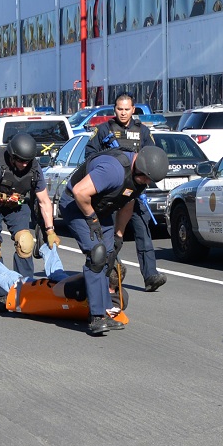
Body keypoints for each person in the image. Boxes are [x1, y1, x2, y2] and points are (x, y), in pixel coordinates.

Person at [59, 143, 168, 335]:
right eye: (147, 179)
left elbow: (127, 202)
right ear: (139, 168)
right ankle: (96, 317)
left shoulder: (138, 178)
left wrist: (118, 234)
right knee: (97, 255)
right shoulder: (113, 170)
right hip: (77, 205)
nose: (147, 183)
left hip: (102, 206)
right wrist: (92, 219)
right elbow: (79, 192)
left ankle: (105, 310)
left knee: (109, 257)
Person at [85, 93, 167, 292]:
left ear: (133, 109)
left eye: (127, 109)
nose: (123, 113)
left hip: (135, 191)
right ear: (115, 110)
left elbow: (152, 158)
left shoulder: (143, 132)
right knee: (110, 233)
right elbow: (89, 156)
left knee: (143, 231)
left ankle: (150, 276)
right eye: (119, 109)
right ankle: (113, 270)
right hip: (111, 192)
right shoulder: (104, 130)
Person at [0, 233, 128, 327]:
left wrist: (85, 275)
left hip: (52, 297)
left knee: (14, 281)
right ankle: (46, 249)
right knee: (60, 275)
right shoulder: (121, 298)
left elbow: (58, 289)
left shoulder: (81, 288)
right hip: (71, 298)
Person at [0, 132, 59, 307]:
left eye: (27, 161)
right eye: (20, 160)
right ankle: (4, 295)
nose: (24, 164)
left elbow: (44, 201)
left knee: (26, 242)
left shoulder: (34, 168)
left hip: (17, 205)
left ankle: (25, 290)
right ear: (12, 156)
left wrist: (50, 231)